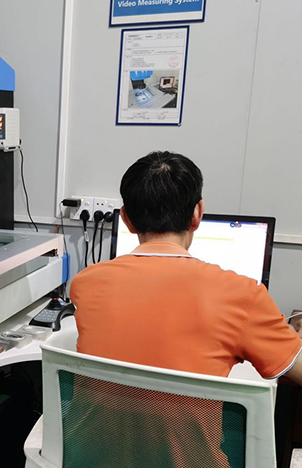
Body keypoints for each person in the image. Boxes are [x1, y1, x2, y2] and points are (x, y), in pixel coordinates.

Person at [68, 151, 302, 468]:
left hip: (92, 459)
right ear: (197, 214)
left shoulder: (86, 283)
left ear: (126, 219)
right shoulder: (243, 295)